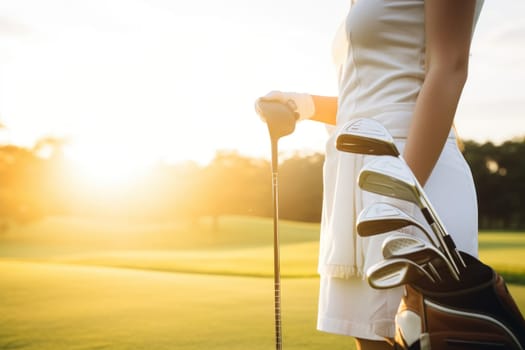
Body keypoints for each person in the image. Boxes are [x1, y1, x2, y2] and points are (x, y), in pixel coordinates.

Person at [255, 1, 485, 349]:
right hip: (358, 171)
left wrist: (401, 193)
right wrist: (303, 104)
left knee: (420, 334)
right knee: (372, 338)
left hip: (411, 172)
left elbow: (450, 66)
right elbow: (367, 95)